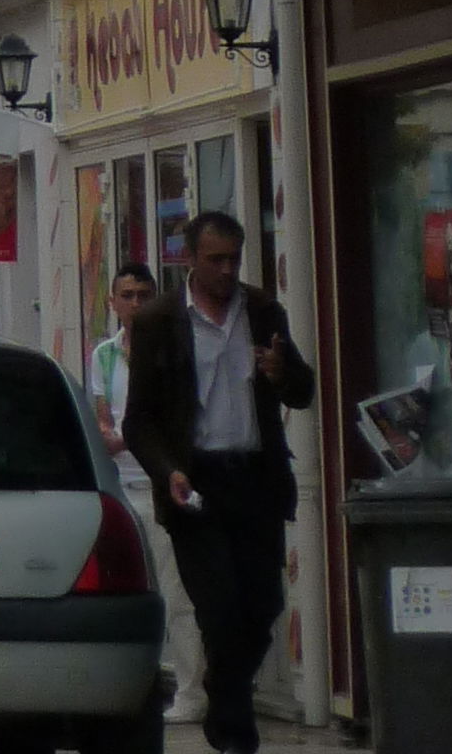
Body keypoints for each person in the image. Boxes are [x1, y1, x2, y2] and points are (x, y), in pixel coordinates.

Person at [122, 210, 315, 754]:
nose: (227, 271)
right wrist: (169, 471)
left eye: (234, 259)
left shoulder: (261, 310)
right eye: (216, 260)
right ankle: (235, 736)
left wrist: (283, 374)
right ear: (189, 258)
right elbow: (138, 420)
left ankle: (220, 686)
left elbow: (303, 390)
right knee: (220, 610)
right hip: (196, 486)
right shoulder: (160, 320)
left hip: (255, 480)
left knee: (262, 607)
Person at [88, 262, 206, 726]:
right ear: (112, 302)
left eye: (144, 294)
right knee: (136, 592)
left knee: (178, 595)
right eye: (128, 295)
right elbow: (103, 416)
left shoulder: (176, 348)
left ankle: (193, 691)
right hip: (123, 486)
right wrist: (109, 435)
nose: (136, 303)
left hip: (165, 484)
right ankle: (143, 681)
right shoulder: (105, 355)